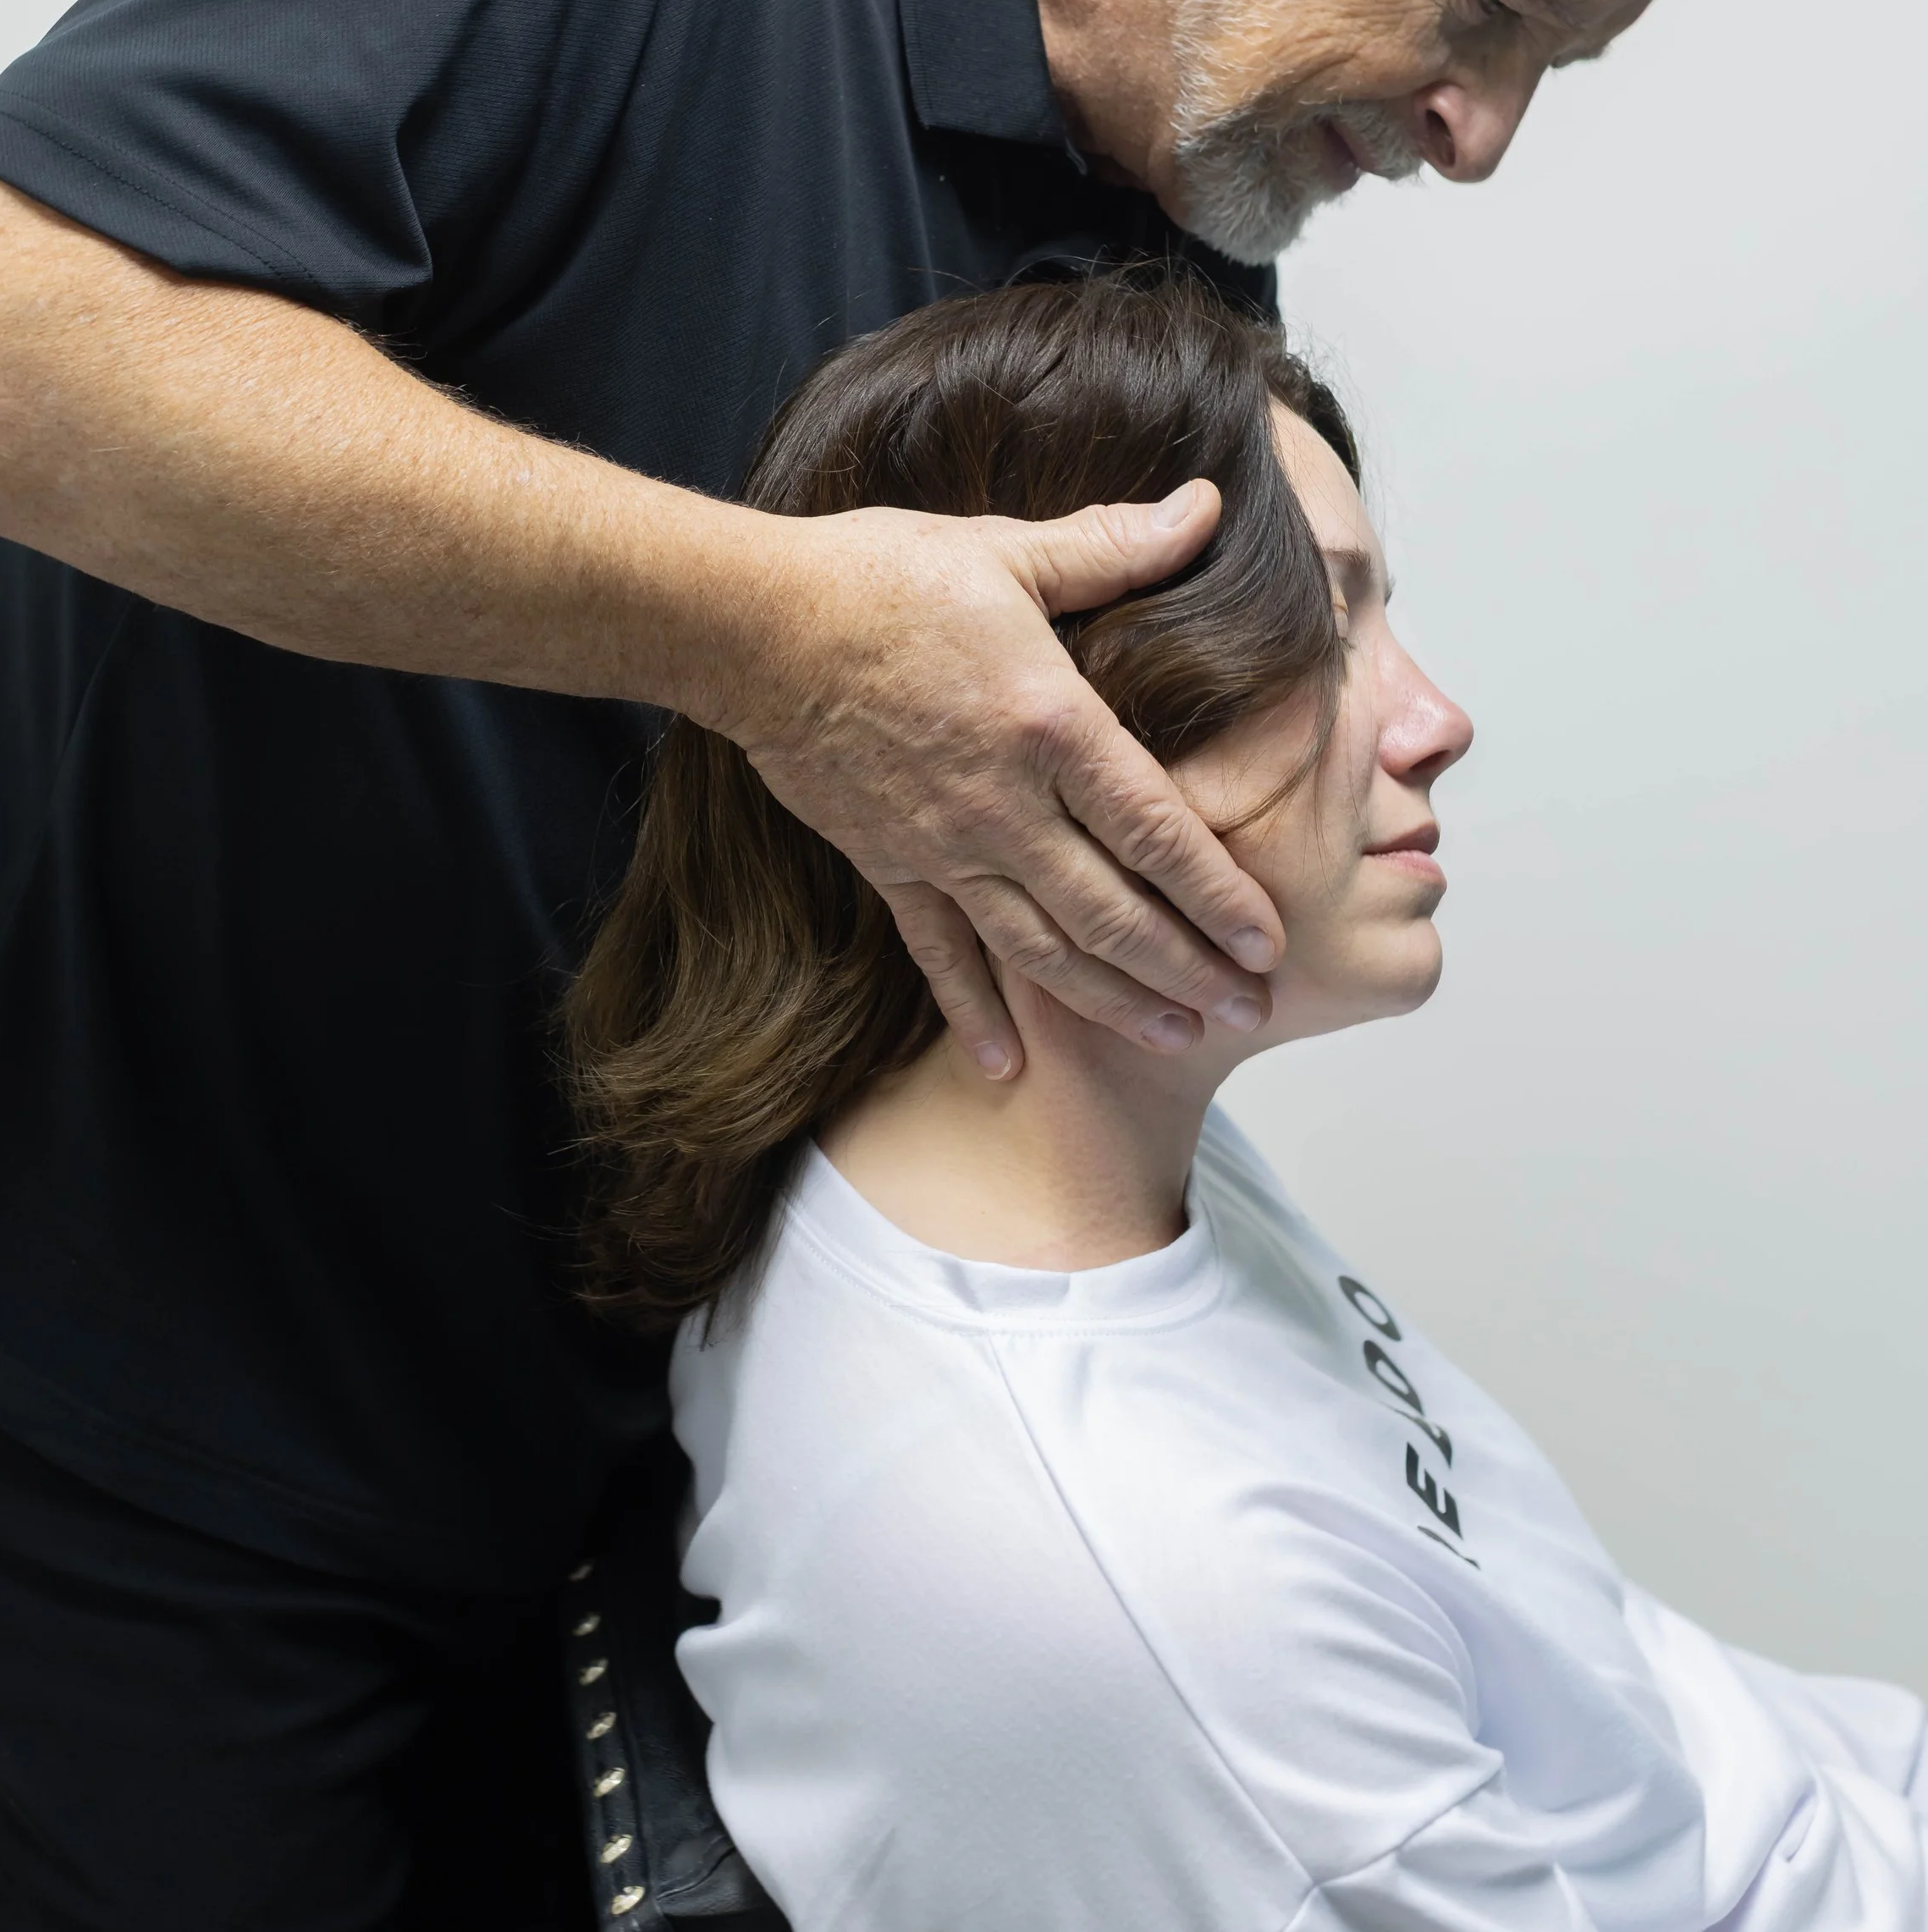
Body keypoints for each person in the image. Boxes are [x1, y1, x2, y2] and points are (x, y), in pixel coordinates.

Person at [0, 0, 1782, 1923]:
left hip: (621, 1459)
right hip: (132, 1404)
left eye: (1544, 64)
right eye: (1475, 5)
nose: (1474, 131)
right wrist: (772, 629)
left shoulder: (1177, 243)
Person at [570, 271, 1928, 1932]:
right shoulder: (1134, 1590)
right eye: (1317, 629)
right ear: (1010, 725)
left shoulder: (1076, 1151)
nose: (1436, 723)